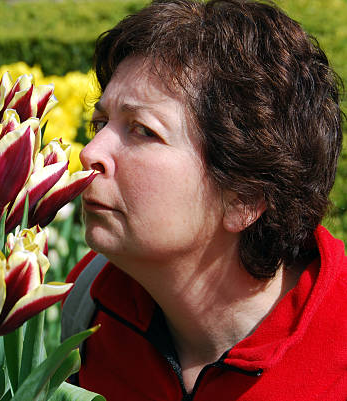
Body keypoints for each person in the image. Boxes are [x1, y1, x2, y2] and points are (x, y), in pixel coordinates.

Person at [61, 0, 346, 399]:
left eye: (143, 130)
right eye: (100, 123)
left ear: (245, 197)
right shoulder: (85, 301)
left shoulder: (336, 365)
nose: (90, 152)